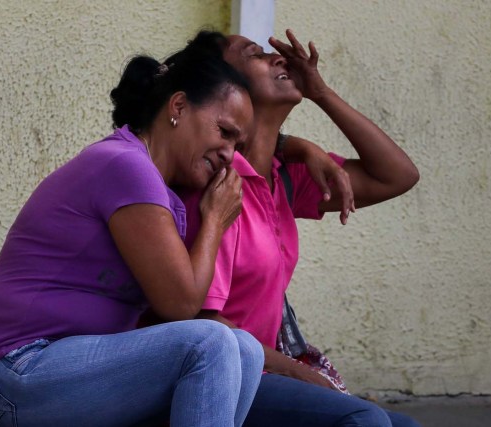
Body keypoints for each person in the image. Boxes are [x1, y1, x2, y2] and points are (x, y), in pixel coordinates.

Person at [0, 32, 265, 427]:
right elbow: (181, 304)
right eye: (224, 132)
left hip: (70, 370)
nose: (229, 155)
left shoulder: (162, 192)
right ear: (178, 106)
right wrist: (214, 221)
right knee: (212, 342)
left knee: (246, 349)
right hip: (16, 368)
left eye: (238, 146)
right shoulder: (126, 166)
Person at [179, 29, 421, 426]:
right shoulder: (220, 183)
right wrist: (300, 372)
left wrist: (321, 93)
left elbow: (397, 176)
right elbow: (202, 323)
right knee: (365, 422)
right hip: (225, 374)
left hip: (266, 371)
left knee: (405, 425)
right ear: (223, 85)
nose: (281, 59)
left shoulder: (286, 177)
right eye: (256, 54)